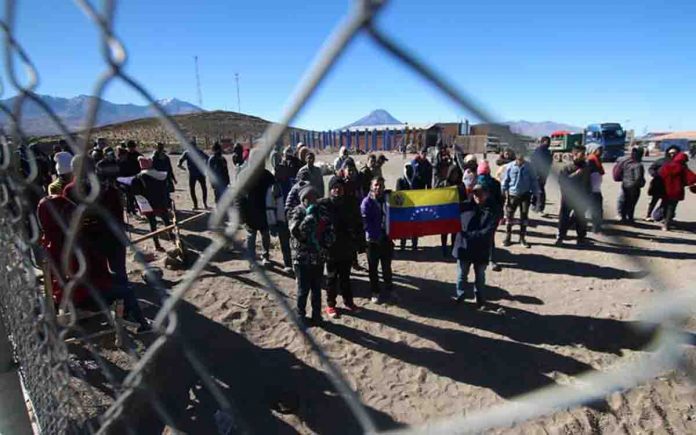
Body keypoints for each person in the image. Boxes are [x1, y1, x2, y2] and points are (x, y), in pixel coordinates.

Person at [289, 185, 335, 325]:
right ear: (303, 199)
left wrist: (326, 241)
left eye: (314, 196)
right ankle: (301, 315)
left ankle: (317, 316)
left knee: (317, 290)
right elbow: (295, 232)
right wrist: (306, 222)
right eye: (308, 197)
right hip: (302, 259)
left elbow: (330, 230)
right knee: (303, 290)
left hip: (318, 258)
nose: (312, 199)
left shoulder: (321, 212)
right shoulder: (297, 211)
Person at [322, 176, 363, 317]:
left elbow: (358, 223)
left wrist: (359, 243)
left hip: (346, 247)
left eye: (340, 187)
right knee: (331, 278)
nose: (337, 190)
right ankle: (330, 305)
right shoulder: (324, 204)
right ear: (330, 189)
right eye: (334, 187)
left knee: (346, 277)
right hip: (331, 248)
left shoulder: (350, 203)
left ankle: (348, 302)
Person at [451, 184, 497, 308]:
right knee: (462, 274)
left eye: (480, 193)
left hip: (480, 249)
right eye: (475, 193)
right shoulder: (464, 207)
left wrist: (470, 235)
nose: (477, 196)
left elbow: (489, 231)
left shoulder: (492, 210)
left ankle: (480, 299)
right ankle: (460, 296)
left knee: (480, 277)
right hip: (464, 247)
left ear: (487, 194)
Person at [361, 176, 394, 304]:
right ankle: (375, 291)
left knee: (387, 267)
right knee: (373, 268)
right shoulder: (366, 202)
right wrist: (376, 236)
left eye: (380, 185)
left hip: (386, 239)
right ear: (371, 186)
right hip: (373, 241)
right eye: (376, 185)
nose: (378, 187)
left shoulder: (387, 199)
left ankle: (389, 288)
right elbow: (366, 224)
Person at [239, 153, 275, 266]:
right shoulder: (244, 175)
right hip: (250, 211)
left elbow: (275, 193)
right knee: (251, 236)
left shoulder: (268, 176)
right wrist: (241, 214)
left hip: (265, 211)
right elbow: (239, 197)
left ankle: (265, 256)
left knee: (265, 234)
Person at [131, 157, 172, 252]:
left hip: (147, 204)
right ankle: (171, 235)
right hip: (160, 202)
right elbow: (165, 189)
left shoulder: (137, 178)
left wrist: (138, 205)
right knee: (166, 219)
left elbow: (135, 192)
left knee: (153, 224)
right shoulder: (159, 175)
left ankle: (157, 244)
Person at [500, 152, 539, 248]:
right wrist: (502, 193)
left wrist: (536, 194)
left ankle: (522, 238)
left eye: (522, 159)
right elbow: (505, 180)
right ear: (515, 158)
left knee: (524, 216)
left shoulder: (529, 167)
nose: (520, 160)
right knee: (509, 216)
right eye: (518, 159)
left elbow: (534, 181)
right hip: (513, 195)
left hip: (525, 194)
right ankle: (508, 237)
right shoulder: (509, 167)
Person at [556, 146, 591, 245]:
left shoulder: (586, 167)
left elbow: (588, 183)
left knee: (581, 218)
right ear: (575, 154)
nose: (584, 156)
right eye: (582, 154)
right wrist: (575, 174)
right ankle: (561, 237)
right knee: (564, 217)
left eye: (585, 154)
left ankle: (581, 238)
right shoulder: (567, 167)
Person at [476, 160, 503, 271]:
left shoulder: (476, 183)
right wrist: (501, 214)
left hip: (481, 214)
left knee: (480, 236)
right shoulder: (495, 183)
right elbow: (500, 200)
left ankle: (482, 257)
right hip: (493, 214)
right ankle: (491, 259)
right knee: (490, 237)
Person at [658, 151, 696, 231]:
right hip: (676, 191)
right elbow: (691, 178)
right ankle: (666, 224)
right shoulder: (683, 168)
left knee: (664, 205)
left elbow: (660, 175)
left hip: (665, 190)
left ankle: (663, 220)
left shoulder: (667, 166)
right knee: (671, 207)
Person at [266, 176, 293, 273]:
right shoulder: (275, 187)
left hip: (294, 218)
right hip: (282, 220)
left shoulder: (293, 182)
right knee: (285, 243)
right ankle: (288, 264)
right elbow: (270, 205)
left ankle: (297, 264)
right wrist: (272, 223)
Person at [646, 145, 680, 221]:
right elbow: (651, 168)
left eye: (674, 153)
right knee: (653, 201)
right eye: (671, 153)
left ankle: (664, 217)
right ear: (667, 152)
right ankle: (648, 215)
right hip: (658, 184)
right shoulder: (661, 160)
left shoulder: (680, 163)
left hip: (670, 187)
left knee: (666, 203)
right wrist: (654, 174)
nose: (672, 154)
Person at [436, 164, 463, 257]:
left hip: (455, 212)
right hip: (444, 212)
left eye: (457, 173)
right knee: (444, 232)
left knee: (454, 232)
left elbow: (463, 197)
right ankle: (444, 249)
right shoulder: (443, 184)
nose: (455, 175)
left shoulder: (460, 185)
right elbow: (436, 196)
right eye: (453, 173)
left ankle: (453, 248)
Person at [616, 147, 646, 224]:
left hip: (625, 185)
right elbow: (638, 177)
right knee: (631, 203)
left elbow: (621, 173)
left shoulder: (626, 163)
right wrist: (642, 183)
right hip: (633, 187)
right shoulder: (638, 165)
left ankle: (623, 217)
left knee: (624, 202)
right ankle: (630, 218)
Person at [177, 138, 209, 210]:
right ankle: (204, 204)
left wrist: (181, 166)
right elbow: (208, 158)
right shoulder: (199, 152)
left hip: (193, 174)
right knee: (203, 188)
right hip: (200, 172)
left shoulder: (187, 152)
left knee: (193, 189)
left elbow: (180, 161)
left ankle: (196, 205)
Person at [395, 163, 418, 251]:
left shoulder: (416, 181)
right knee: (403, 227)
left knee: (415, 227)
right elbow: (398, 194)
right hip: (403, 209)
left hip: (414, 207)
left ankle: (414, 245)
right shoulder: (400, 181)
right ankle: (403, 245)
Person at [530, 136, 552, 215]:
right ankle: (539, 208)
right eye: (548, 141)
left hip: (541, 174)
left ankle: (534, 204)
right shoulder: (541, 151)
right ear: (544, 141)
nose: (549, 143)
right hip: (539, 174)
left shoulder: (545, 151)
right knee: (540, 191)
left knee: (537, 189)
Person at [586, 144, 605, 233]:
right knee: (596, 208)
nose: (601, 152)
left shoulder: (596, 159)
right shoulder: (591, 160)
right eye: (599, 150)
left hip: (595, 188)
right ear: (593, 150)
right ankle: (596, 227)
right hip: (592, 189)